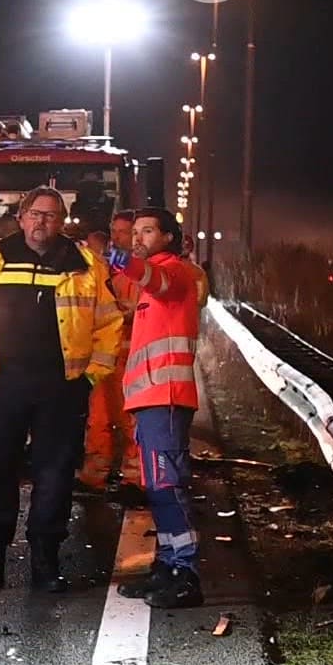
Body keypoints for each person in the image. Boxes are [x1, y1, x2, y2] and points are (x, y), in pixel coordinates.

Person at [0, 187, 123, 594]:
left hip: (61, 387)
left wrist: (89, 377)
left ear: (62, 221)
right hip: (2, 383)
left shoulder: (85, 264)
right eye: (35, 214)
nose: (41, 222)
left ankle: (46, 564)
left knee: (55, 477)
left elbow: (109, 325)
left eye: (50, 216)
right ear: (21, 217)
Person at [106, 208, 209, 608]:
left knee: (168, 487)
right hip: (151, 399)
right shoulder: (151, 283)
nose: (138, 239)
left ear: (168, 236)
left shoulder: (176, 273)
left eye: (147, 231)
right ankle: (168, 566)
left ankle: (187, 574)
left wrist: (122, 260)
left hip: (165, 398)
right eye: (134, 233)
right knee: (158, 488)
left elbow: (157, 278)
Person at [80, 211, 141, 491]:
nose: (116, 237)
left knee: (130, 420)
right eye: (113, 230)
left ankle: (135, 477)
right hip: (105, 354)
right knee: (98, 418)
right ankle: (94, 475)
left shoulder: (141, 270)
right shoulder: (108, 268)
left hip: (131, 356)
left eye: (122, 231)